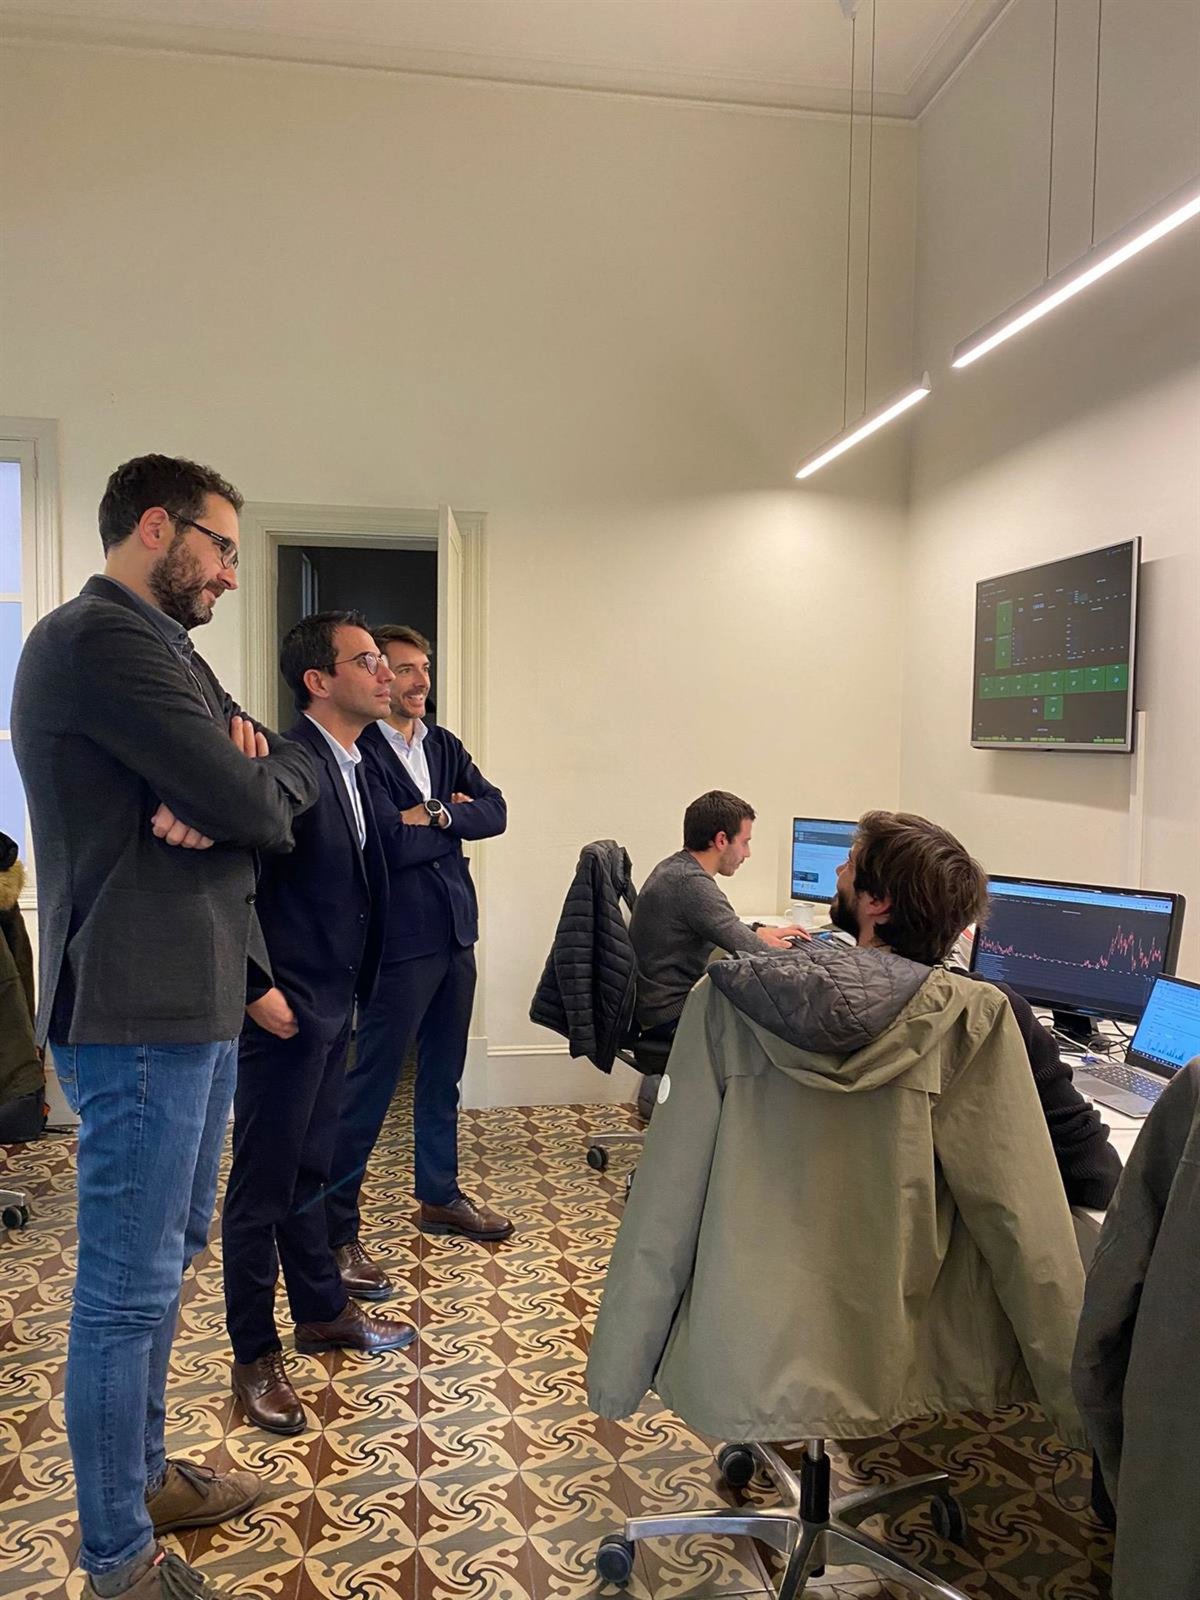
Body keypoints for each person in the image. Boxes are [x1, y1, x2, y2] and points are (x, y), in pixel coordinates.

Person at [11, 454, 319, 1600]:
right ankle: (116, 1557)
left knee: (168, 1252)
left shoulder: (171, 651)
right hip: (134, 1002)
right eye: (222, 546)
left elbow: (286, 763)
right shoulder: (101, 638)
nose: (231, 572)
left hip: (188, 995)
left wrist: (239, 789)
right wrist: (234, 794)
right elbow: (253, 799)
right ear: (157, 526)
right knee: (125, 1287)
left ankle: (142, 1480)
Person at [222, 612, 417, 1436]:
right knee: (260, 1188)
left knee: (311, 1171)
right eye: (367, 661)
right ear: (319, 679)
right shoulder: (285, 762)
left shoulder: (357, 764)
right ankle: (253, 1354)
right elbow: (229, 879)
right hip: (284, 1012)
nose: (386, 673)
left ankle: (323, 1312)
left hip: (337, 1004)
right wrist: (253, 988)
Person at [325, 622, 511, 1286]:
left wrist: (433, 815)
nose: (418, 680)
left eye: (424, 667)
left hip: (456, 934)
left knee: (442, 1077)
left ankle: (439, 1195)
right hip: (399, 945)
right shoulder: (362, 751)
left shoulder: (444, 744)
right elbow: (384, 843)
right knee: (369, 1086)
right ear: (380, 675)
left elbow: (496, 812)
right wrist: (451, 821)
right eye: (404, 668)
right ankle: (334, 1231)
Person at [829, 810, 1122, 1209]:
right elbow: (1096, 1175)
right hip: (927, 1241)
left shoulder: (793, 996)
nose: (838, 871)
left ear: (878, 902)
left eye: (849, 864)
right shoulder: (987, 1012)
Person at [629, 789, 807, 1039]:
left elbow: (721, 925)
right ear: (721, 840)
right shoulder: (691, 884)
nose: (747, 853)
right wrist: (824, 960)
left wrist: (756, 931)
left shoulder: (675, 868)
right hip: (670, 1016)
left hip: (655, 1005)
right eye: (745, 842)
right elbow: (758, 952)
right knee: (785, 1020)